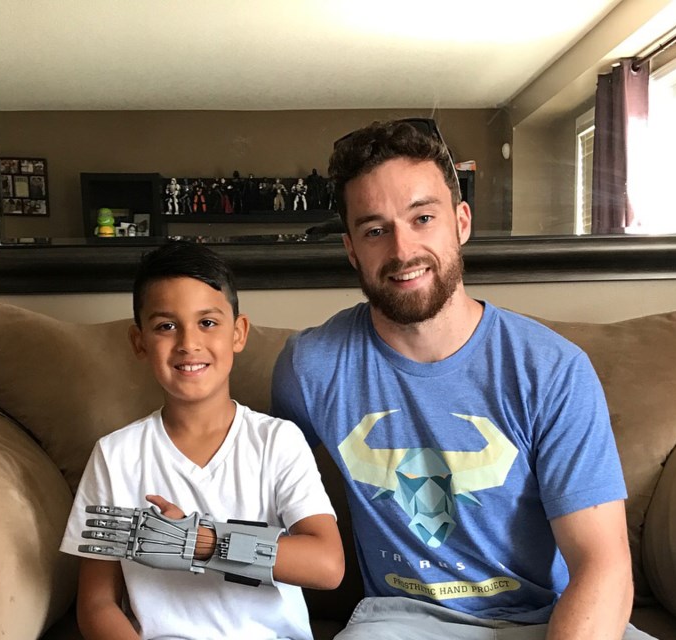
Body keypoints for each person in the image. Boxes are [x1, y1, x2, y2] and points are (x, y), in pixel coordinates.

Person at [271, 119, 651, 640]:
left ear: (461, 221)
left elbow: (602, 565)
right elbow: (259, 498)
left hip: (553, 621)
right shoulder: (309, 368)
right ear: (352, 249)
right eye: (375, 229)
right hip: (404, 624)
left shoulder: (553, 370)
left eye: (422, 218)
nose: (403, 250)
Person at [60, 241, 345, 640]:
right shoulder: (116, 455)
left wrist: (199, 541)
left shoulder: (277, 440)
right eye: (165, 326)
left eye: (207, 323)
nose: (188, 343)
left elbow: (327, 565)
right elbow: (96, 604)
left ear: (238, 333)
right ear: (139, 342)